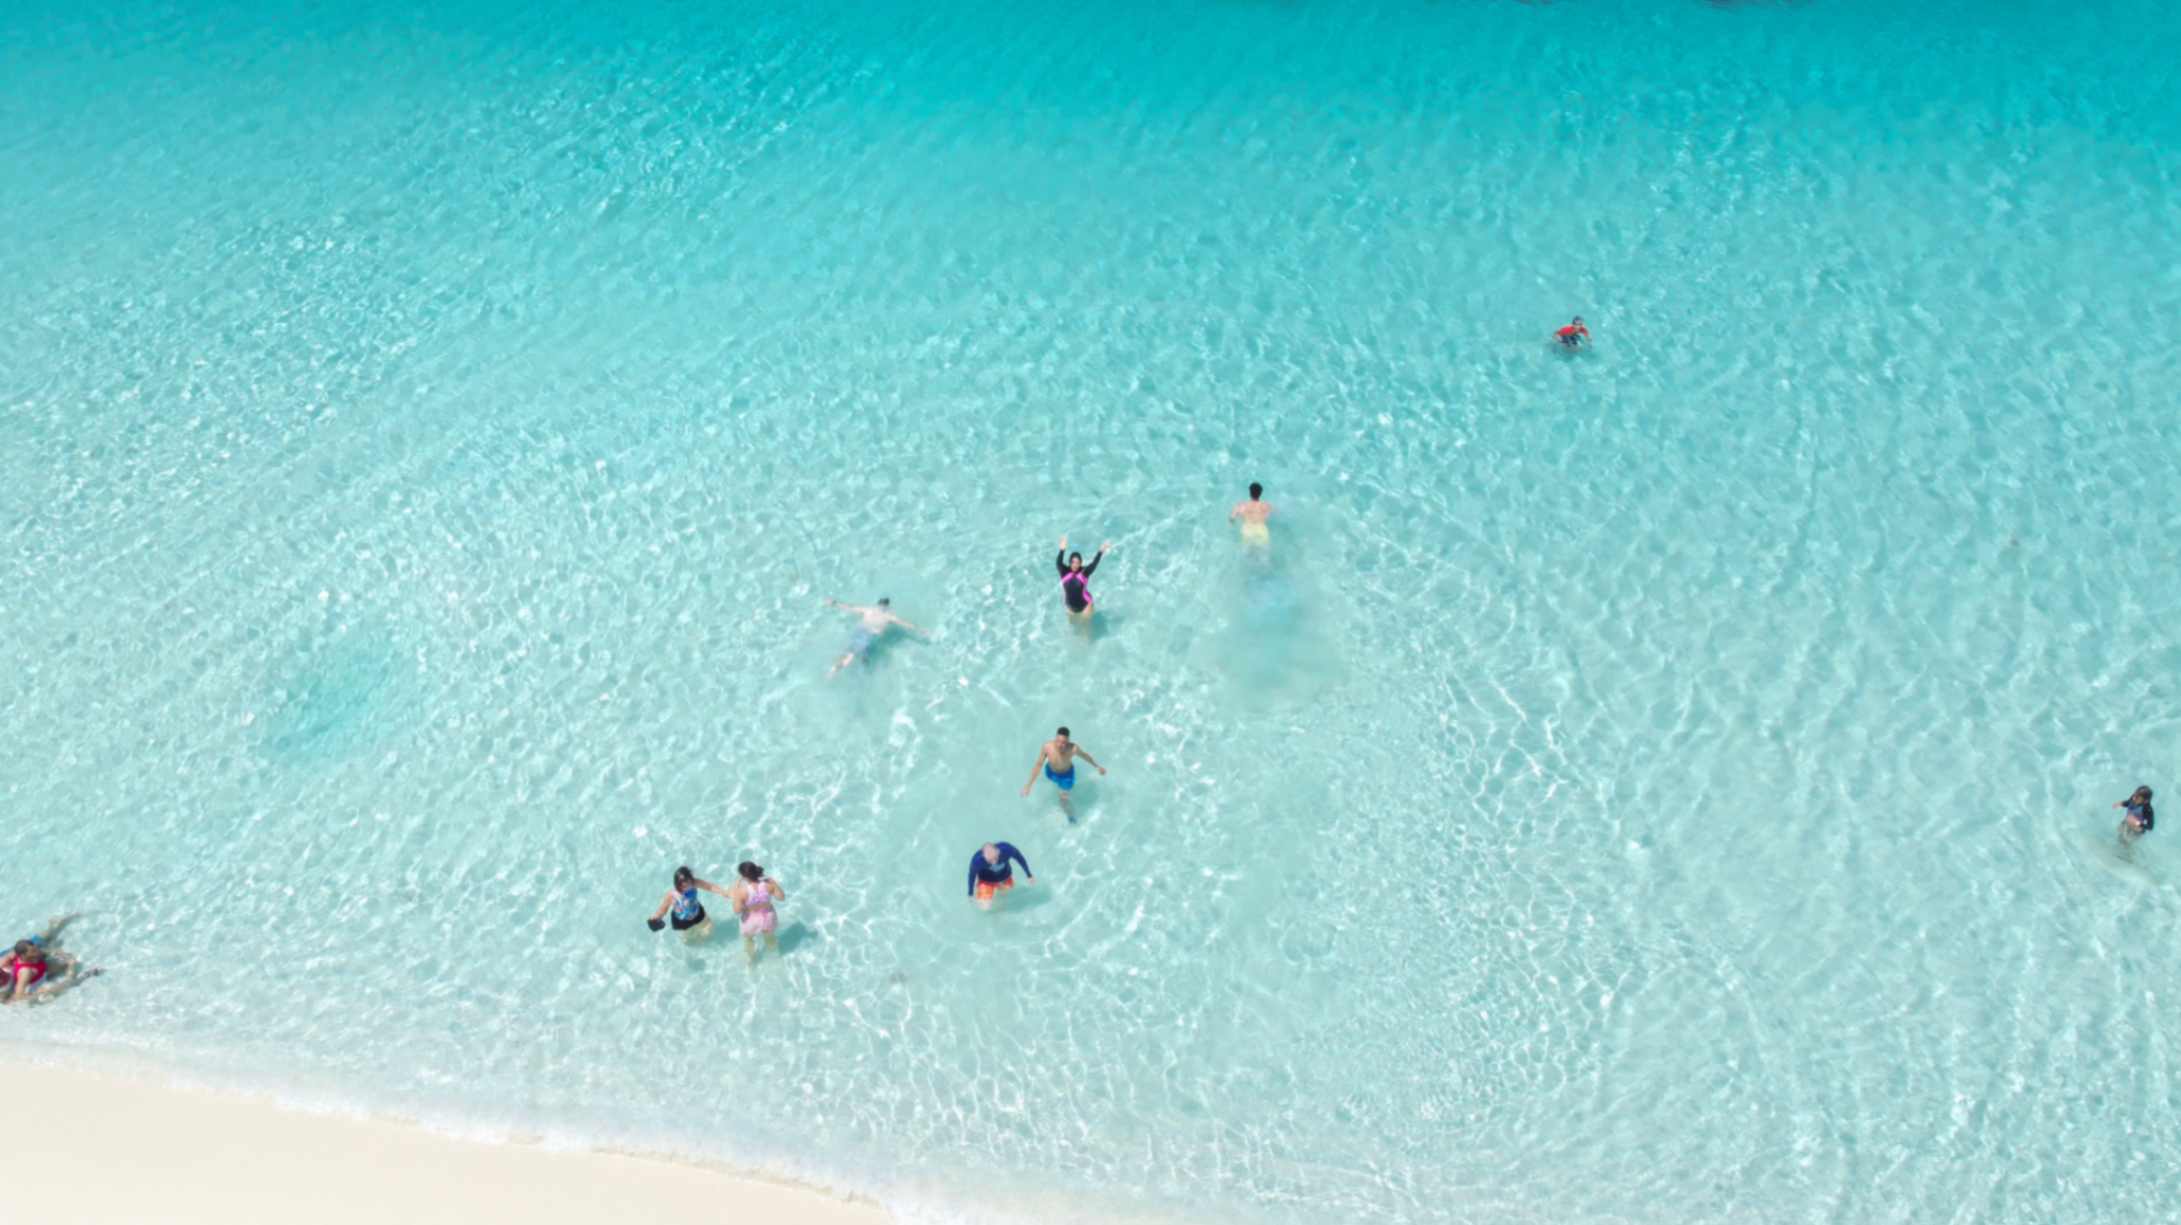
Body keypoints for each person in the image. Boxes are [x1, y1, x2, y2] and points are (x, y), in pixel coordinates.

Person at [0, 915, 97, 1005]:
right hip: (36, 971)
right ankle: (81, 977)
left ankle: (54, 926)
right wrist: (37, 994)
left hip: (33, 963)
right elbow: (18, 996)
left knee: (44, 939)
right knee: (64, 974)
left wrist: (55, 952)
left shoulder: (6, 961)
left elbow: (17, 951)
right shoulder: (24, 973)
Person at [824, 596, 923, 677]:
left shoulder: (868, 610)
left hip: (859, 632)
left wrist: (834, 603)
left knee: (854, 652)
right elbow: (905, 624)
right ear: (887, 607)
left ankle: (840, 669)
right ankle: (834, 671)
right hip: (868, 635)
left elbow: (850, 608)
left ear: (878, 604)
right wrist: (920, 630)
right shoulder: (889, 616)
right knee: (852, 656)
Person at [1021, 725, 1106, 818]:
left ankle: (1071, 818)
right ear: (1055, 738)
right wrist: (1028, 786)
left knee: (1063, 800)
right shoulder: (1047, 747)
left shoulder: (1073, 748)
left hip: (1066, 777)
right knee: (1048, 783)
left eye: (1063, 743)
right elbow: (1038, 765)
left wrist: (1097, 766)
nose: (1060, 745)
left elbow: (1085, 756)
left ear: (1068, 741)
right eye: (1058, 741)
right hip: (1051, 772)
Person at [646, 866, 733, 942]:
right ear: (677, 885)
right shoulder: (672, 895)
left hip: (697, 912)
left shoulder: (695, 883)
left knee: (709, 929)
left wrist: (723, 892)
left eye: (688, 883)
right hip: (682, 921)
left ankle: (702, 941)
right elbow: (663, 909)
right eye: (682, 886)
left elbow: (709, 887)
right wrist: (656, 917)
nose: (686, 887)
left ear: (691, 879)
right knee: (688, 938)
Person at [729, 861, 786, 964]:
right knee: (769, 937)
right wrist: (774, 882)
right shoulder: (768, 885)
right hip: (768, 918)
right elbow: (781, 897)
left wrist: (735, 889)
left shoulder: (741, 891)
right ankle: (774, 956)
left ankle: (751, 959)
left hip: (750, 921)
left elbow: (737, 910)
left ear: (743, 876)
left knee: (749, 940)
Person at [1055, 535, 1110, 626]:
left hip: (1085, 606)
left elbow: (1094, 564)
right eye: (1073, 562)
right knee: (1072, 628)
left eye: (1078, 562)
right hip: (1070, 607)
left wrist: (1101, 551)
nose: (1075, 564)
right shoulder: (1064, 572)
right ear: (1069, 562)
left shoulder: (1084, 573)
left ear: (1081, 563)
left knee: (1086, 628)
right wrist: (1062, 550)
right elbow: (1058, 563)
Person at [966, 842, 1034, 910]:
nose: (994, 862)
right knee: (985, 908)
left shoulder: (1007, 849)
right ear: (984, 856)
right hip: (986, 881)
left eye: (995, 858)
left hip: (1005, 878)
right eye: (990, 860)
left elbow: (1019, 858)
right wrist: (970, 893)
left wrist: (1029, 875)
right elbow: (972, 875)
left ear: (998, 851)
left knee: (1004, 899)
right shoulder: (977, 861)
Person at [1229, 482, 1274, 548]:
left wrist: (1232, 528)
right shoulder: (1266, 506)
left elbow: (1232, 518)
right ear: (1261, 493)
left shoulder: (1242, 505)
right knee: (1263, 553)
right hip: (1261, 530)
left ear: (1250, 492)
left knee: (1247, 552)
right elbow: (1274, 514)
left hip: (1247, 530)